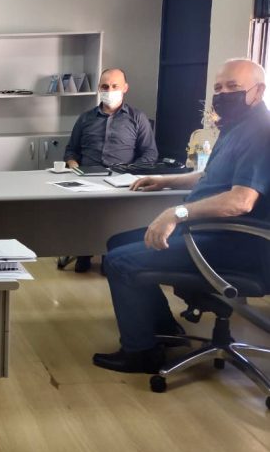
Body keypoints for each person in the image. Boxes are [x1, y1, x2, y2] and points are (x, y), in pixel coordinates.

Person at [92, 58, 270, 374]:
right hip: (209, 232)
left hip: (232, 243)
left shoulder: (261, 133)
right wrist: (166, 181)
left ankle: (141, 353)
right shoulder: (236, 126)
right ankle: (163, 328)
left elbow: (241, 201)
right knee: (117, 242)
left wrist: (178, 212)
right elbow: (211, 176)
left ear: (258, 91)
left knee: (120, 262)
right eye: (218, 88)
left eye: (233, 87)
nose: (223, 94)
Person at [63, 68, 158, 272]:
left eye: (115, 86)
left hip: (122, 180)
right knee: (83, 214)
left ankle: (110, 255)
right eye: (105, 86)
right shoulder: (85, 118)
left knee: (114, 217)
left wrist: (130, 172)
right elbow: (71, 150)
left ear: (125, 88)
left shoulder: (137, 118)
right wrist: (73, 166)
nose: (110, 90)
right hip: (86, 178)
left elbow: (150, 154)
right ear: (99, 88)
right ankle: (83, 251)